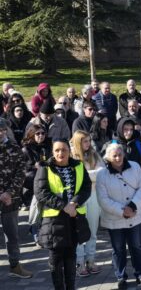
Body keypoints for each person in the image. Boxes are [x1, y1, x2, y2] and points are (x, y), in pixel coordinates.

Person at [34, 139, 91, 290]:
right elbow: (41, 193)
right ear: (52, 152)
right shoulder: (45, 168)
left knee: (71, 258)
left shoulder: (78, 166)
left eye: (64, 150)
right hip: (54, 221)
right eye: (57, 150)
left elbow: (86, 187)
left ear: (69, 151)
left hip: (74, 218)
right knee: (56, 260)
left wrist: (74, 203)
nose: (61, 153)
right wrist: (64, 206)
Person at [96, 144, 141, 289]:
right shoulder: (102, 174)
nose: (118, 158)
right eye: (114, 155)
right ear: (108, 157)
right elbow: (103, 199)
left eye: (120, 154)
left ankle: (140, 274)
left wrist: (132, 206)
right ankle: (121, 276)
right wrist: (122, 211)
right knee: (118, 249)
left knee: (137, 247)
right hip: (115, 219)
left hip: (135, 215)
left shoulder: (135, 167)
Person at [0, 119, 32, 279]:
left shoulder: (15, 148)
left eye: (2, 130)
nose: (0, 133)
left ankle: (15, 265)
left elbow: (21, 172)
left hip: (10, 200)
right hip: (3, 196)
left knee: (12, 235)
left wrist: (9, 193)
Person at [71, 130, 105, 277]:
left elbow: (102, 172)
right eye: (85, 141)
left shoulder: (94, 154)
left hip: (92, 196)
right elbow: (73, 178)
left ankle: (90, 260)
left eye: (89, 140)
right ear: (78, 142)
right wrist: (91, 175)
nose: (88, 144)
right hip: (76, 197)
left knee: (92, 230)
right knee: (78, 231)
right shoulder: (71, 156)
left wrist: (85, 175)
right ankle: (79, 262)